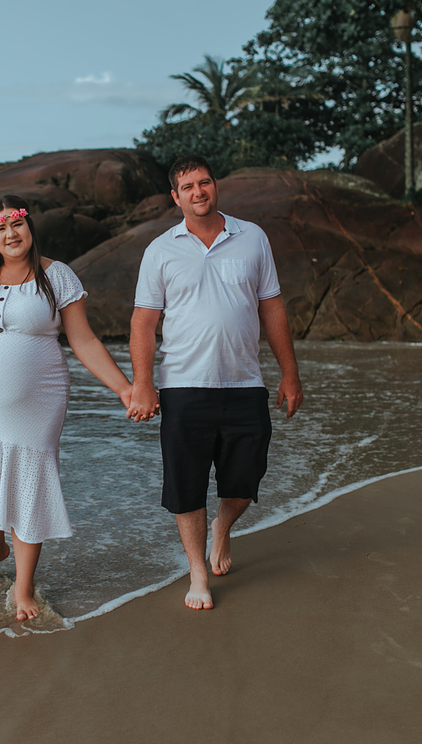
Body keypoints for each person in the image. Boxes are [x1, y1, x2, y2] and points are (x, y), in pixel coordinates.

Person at [0, 195, 133, 621]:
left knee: (28, 480)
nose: (10, 234)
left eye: (17, 225)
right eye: (1, 228)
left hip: (39, 399)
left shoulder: (57, 275)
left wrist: (123, 388)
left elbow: (83, 340)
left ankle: (24, 586)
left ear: (30, 226)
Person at [128, 155, 303, 611]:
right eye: (188, 187)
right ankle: (198, 573)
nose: (198, 192)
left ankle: (221, 529)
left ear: (215, 185)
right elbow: (143, 323)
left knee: (245, 481)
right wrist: (143, 383)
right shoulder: (160, 250)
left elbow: (272, 307)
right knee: (186, 485)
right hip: (183, 385)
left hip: (245, 383)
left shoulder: (252, 237)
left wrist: (289, 373)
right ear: (175, 197)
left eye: (204, 183)